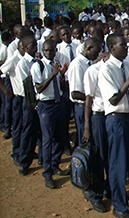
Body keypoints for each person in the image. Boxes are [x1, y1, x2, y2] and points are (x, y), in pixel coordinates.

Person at [98, 34, 129, 218]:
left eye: (126, 45)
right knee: (119, 163)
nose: (126, 48)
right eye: (122, 45)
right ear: (111, 47)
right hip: (117, 119)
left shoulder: (126, 65)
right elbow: (114, 99)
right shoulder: (106, 69)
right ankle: (119, 206)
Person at [31, 39, 69, 189]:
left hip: (58, 103)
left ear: (55, 50)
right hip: (46, 106)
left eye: (51, 50)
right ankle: (47, 173)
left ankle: (55, 164)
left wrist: (61, 75)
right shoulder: (38, 65)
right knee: (48, 139)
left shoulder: (56, 64)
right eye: (46, 50)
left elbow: (62, 87)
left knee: (61, 136)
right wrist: (53, 75)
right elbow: (39, 88)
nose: (49, 53)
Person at [83, 51, 111, 212]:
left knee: (111, 157)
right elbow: (89, 100)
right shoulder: (93, 71)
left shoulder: (116, 69)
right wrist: (87, 126)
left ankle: (110, 189)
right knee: (99, 157)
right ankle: (97, 195)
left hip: (113, 116)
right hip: (99, 117)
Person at [67, 39, 102, 146]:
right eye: (95, 53)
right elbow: (75, 93)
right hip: (81, 107)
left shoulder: (88, 63)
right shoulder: (77, 65)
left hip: (88, 106)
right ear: (88, 49)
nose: (96, 56)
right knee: (85, 141)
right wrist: (94, 97)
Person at [15, 35, 39, 176]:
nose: (35, 47)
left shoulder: (37, 60)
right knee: (28, 130)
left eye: (36, 45)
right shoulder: (22, 64)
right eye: (32, 46)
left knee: (39, 131)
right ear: (24, 48)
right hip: (30, 101)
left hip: (39, 100)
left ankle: (38, 155)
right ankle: (24, 161)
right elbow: (28, 84)